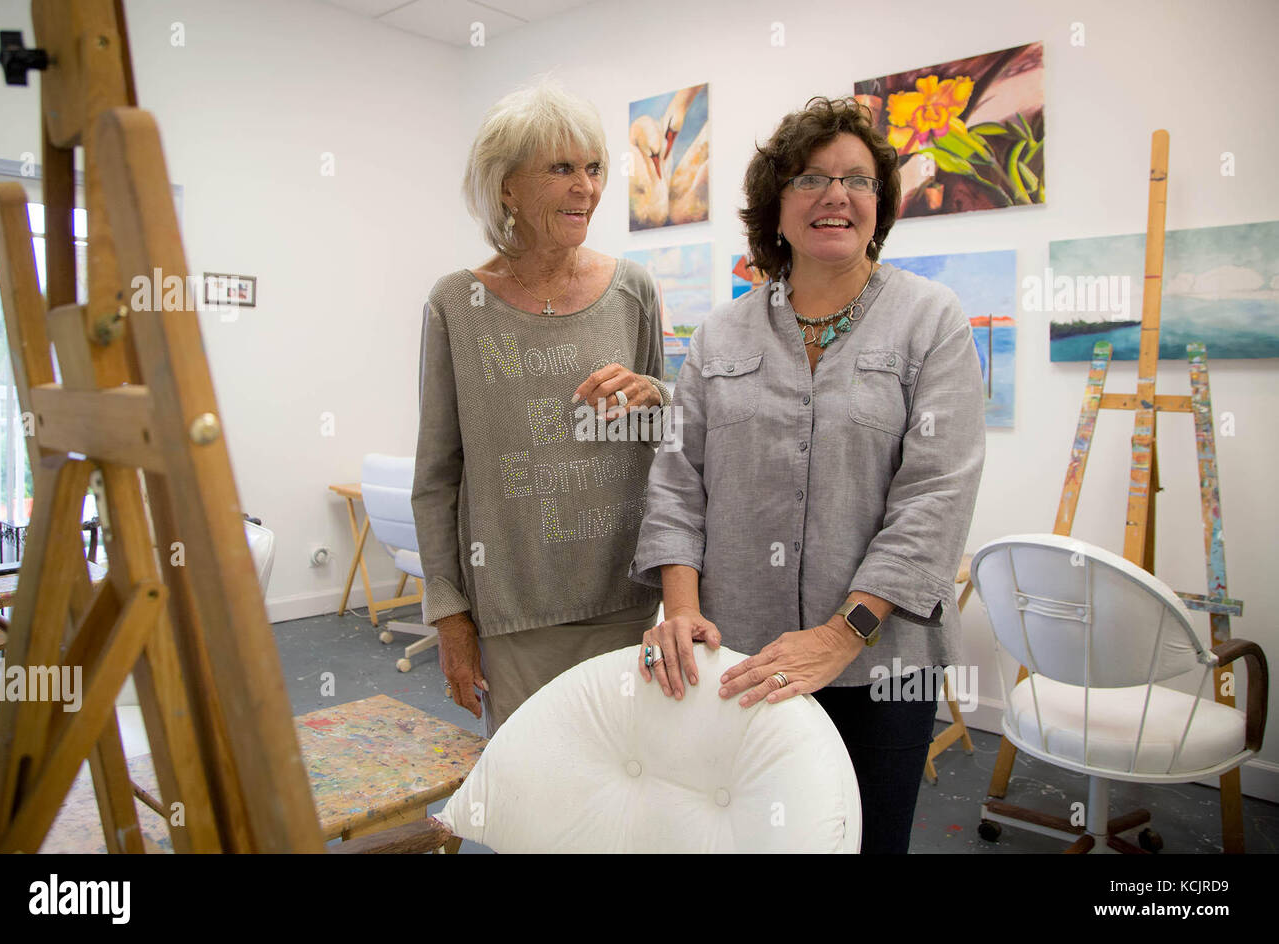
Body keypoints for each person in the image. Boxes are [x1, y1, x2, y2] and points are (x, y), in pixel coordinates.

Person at [628, 96, 986, 853]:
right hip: (741, 657)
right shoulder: (724, 330)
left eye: (858, 181)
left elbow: (936, 495)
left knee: (863, 836)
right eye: (811, 179)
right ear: (775, 207)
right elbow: (677, 479)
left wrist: (840, 634)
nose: (837, 196)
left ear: (880, 206)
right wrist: (680, 613)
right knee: (745, 835)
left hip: (884, 664)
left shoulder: (931, 319)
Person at [413, 81, 671, 737]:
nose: (585, 186)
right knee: (537, 806)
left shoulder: (633, 292)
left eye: (592, 168)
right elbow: (438, 476)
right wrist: (449, 616)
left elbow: (673, 443)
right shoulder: (456, 306)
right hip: (514, 611)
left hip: (623, 602)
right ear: (508, 188)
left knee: (624, 793)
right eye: (561, 169)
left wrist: (658, 396)